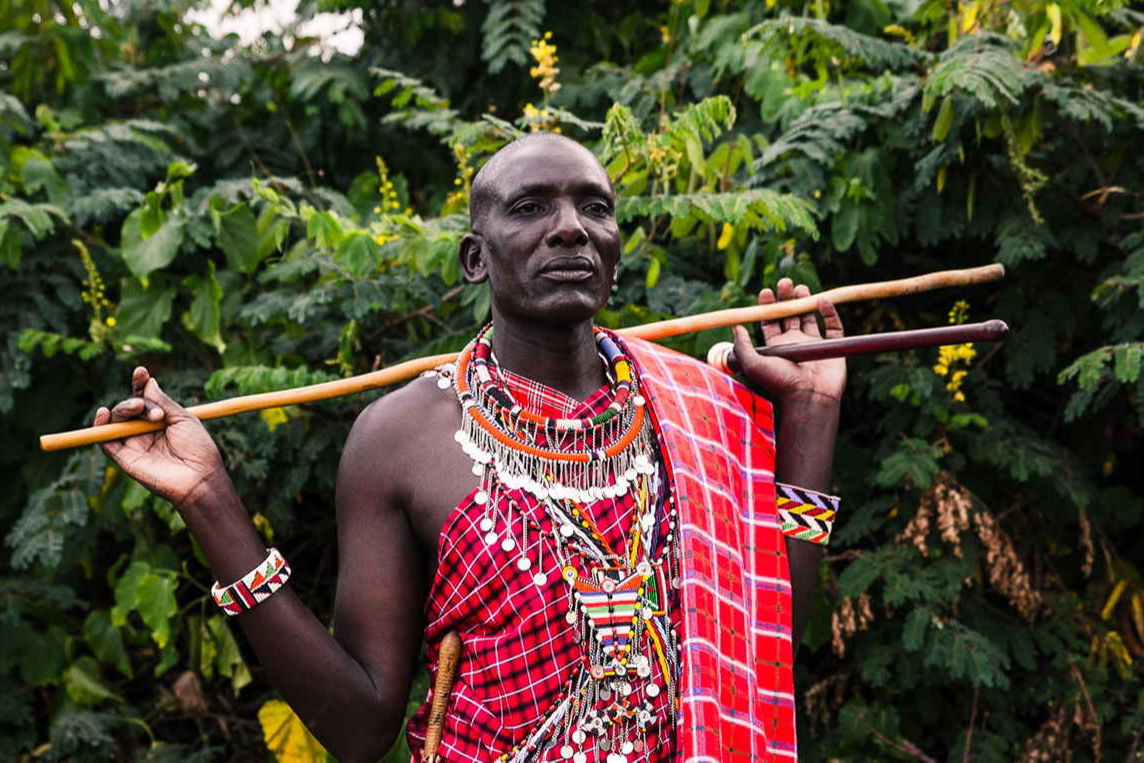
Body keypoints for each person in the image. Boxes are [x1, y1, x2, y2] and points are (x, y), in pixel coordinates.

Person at [95, 133, 844, 762]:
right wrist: (209, 501)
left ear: (614, 254)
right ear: (474, 260)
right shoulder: (402, 436)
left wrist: (810, 414)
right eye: (530, 208)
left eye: (594, 208)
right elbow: (360, 726)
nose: (570, 228)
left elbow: (764, 648)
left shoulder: (693, 410)